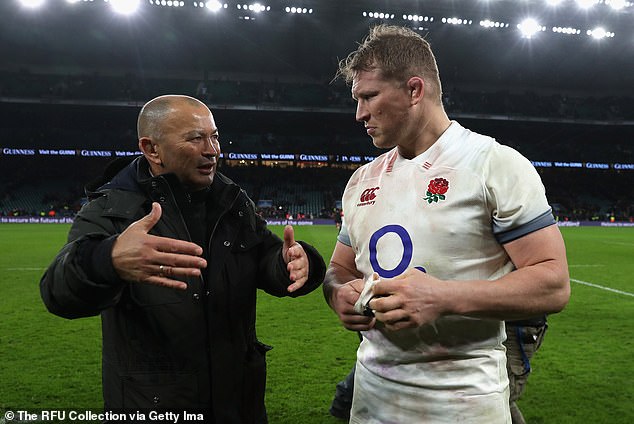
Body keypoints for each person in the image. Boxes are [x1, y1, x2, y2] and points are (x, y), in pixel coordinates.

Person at [322, 25, 570, 423]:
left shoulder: (493, 164)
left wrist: (442, 297)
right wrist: (337, 294)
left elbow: (553, 283)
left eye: (369, 97)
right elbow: (339, 270)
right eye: (357, 99)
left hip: (464, 403)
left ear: (414, 90)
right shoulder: (362, 180)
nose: (359, 114)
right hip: (372, 400)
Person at [40, 94, 326, 423]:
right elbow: (56, 292)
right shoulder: (113, 209)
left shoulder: (231, 199)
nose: (213, 149)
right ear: (151, 149)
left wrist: (294, 262)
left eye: (214, 136)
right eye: (195, 138)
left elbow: (266, 259)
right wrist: (108, 259)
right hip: (155, 407)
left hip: (238, 404)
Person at [329, 316, 549, 423]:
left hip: (514, 325)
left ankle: (343, 399)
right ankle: (344, 399)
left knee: (497, 396)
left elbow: (550, 286)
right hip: (481, 325)